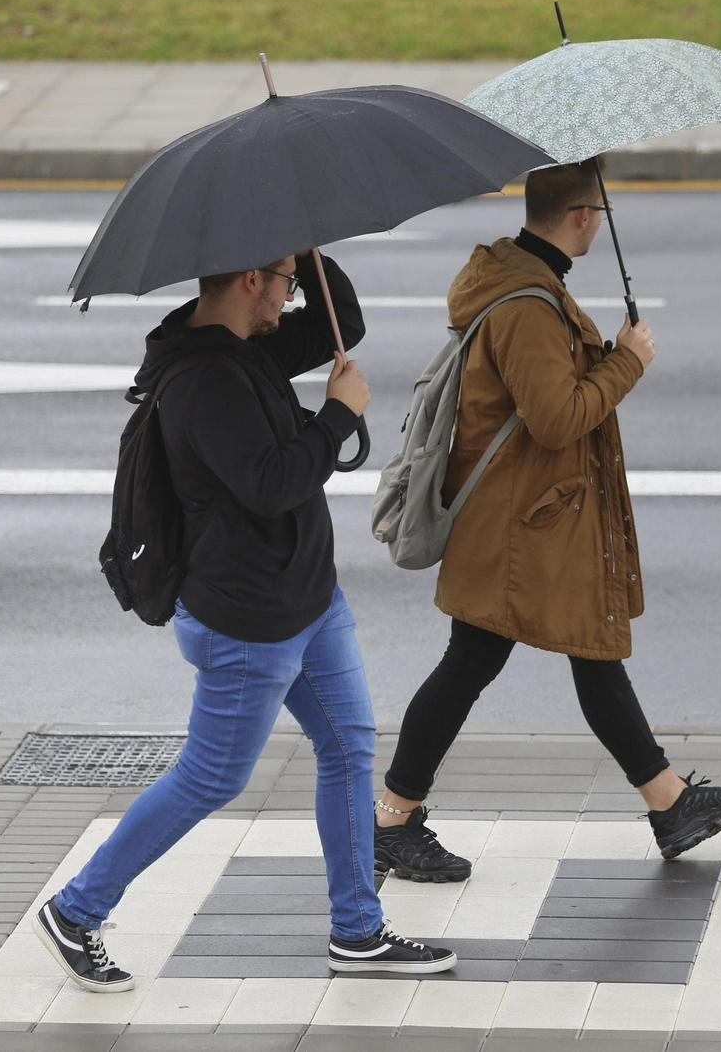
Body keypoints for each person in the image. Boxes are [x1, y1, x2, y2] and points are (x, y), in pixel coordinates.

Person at [37, 251, 455, 992]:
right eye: (287, 280)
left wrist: (304, 236)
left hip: (307, 599)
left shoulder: (246, 346)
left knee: (348, 747)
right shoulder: (204, 381)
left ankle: (358, 932)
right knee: (211, 777)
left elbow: (341, 319)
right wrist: (337, 416)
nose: (293, 296)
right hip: (249, 618)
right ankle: (75, 910)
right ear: (250, 281)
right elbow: (270, 484)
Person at [374, 161, 721, 881]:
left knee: (572, 651)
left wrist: (608, 359)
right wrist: (626, 362)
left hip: (532, 514)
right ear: (584, 216)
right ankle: (392, 822)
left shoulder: (528, 280)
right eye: (599, 213)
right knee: (483, 661)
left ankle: (667, 801)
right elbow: (555, 419)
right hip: (518, 525)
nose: (598, 224)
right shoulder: (526, 305)